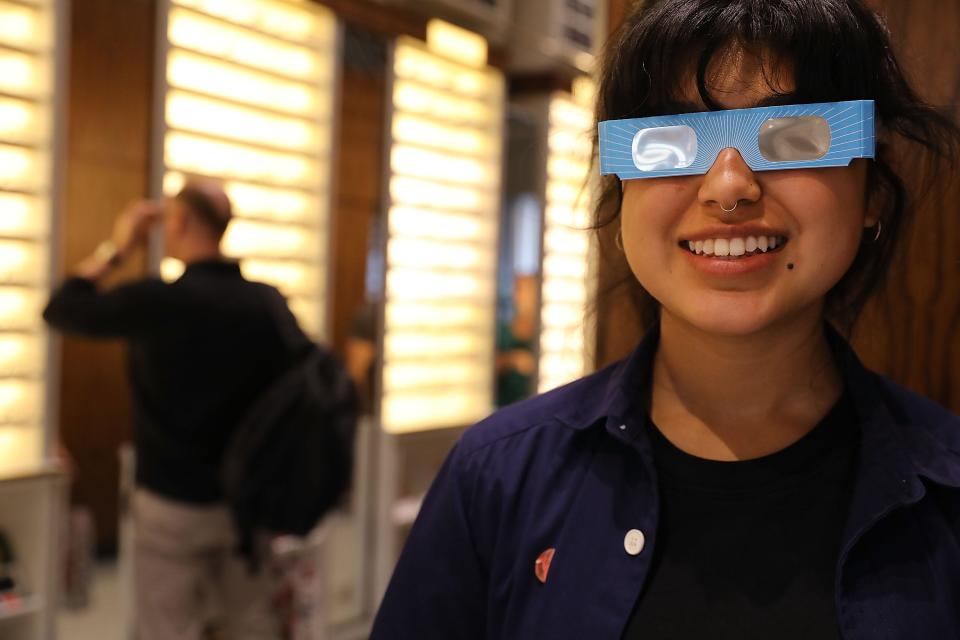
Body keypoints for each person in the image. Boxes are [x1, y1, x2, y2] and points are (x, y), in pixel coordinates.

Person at [371, 1, 960, 638]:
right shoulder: (496, 477)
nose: (728, 186)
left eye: (795, 135)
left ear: (872, 189)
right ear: (620, 194)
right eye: (669, 143)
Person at [44, 180, 310, 640]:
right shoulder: (267, 304)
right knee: (250, 627)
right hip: (247, 505)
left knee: (166, 628)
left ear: (181, 222)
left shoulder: (159, 301)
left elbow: (63, 307)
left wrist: (120, 246)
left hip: (171, 505)